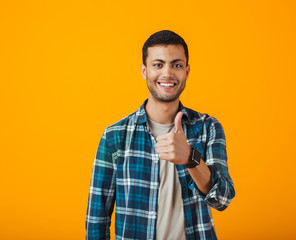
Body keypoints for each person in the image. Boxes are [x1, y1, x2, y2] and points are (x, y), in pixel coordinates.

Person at [85, 30, 235, 240]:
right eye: (158, 64)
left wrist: (191, 158)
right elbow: (97, 218)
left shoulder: (207, 127)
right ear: (144, 71)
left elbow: (222, 199)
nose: (167, 74)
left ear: (187, 71)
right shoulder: (115, 136)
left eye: (176, 65)